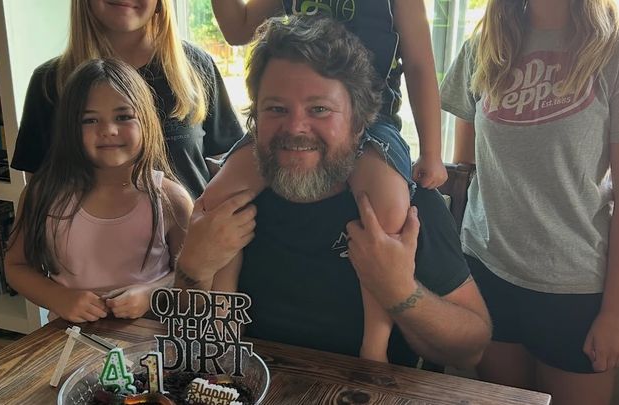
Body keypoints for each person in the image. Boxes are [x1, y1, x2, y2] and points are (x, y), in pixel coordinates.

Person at [175, 16, 491, 369]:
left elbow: (470, 349)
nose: (295, 127)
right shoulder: (232, 202)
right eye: (276, 109)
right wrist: (190, 270)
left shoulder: (408, 204)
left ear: (359, 122)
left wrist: (400, 290)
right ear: (255, 118)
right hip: (249, 384)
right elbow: (188, 341)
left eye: (320, 110)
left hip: (361, 388)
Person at [440, 0, 619, 403]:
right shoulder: (484, 46)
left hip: (575, 290)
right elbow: (467, 169)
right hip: (487, 273)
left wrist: (616, 314)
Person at [5, 58, 194, 323]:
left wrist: (152, 293)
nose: (108, 130)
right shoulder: (42, 194)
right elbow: (16, 266)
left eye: (123, 117)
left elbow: (191, 274)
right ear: (69, 127)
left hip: (150, 340)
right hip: (68, 339)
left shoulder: (171, 199)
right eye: (90, 120)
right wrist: (58, 297)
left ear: (147, 120)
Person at [11, 0, 243, 199]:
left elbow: (226, 166)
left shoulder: (196, 66)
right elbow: (38, 192)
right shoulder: (50, 82)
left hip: (192, 234)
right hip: (92, 240)